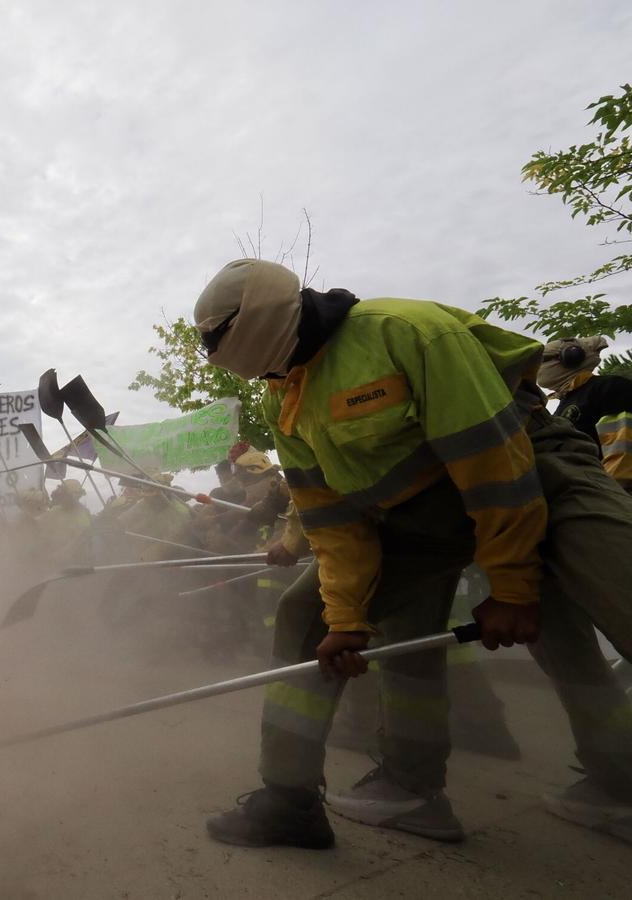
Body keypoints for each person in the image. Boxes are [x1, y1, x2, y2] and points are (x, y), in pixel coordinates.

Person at [191, 258, 632, 848]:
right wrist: (347, 619)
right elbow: (332, 522)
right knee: (309, 614)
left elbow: (494, 466)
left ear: (257, 322)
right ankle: (300, 799)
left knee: (607, 596)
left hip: (538, 468)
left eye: (217, 341)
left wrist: (513, 588)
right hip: (423, 512)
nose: (215, 355)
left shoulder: (406, 332)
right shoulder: (284, 400)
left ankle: (619, 782)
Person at [537, 335, 632, 490]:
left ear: (570, 358)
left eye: (543, 361)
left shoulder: (611, 387)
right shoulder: (562, 406)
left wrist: (610, 495)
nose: (538, 369)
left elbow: (623, 451)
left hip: (614, 499)